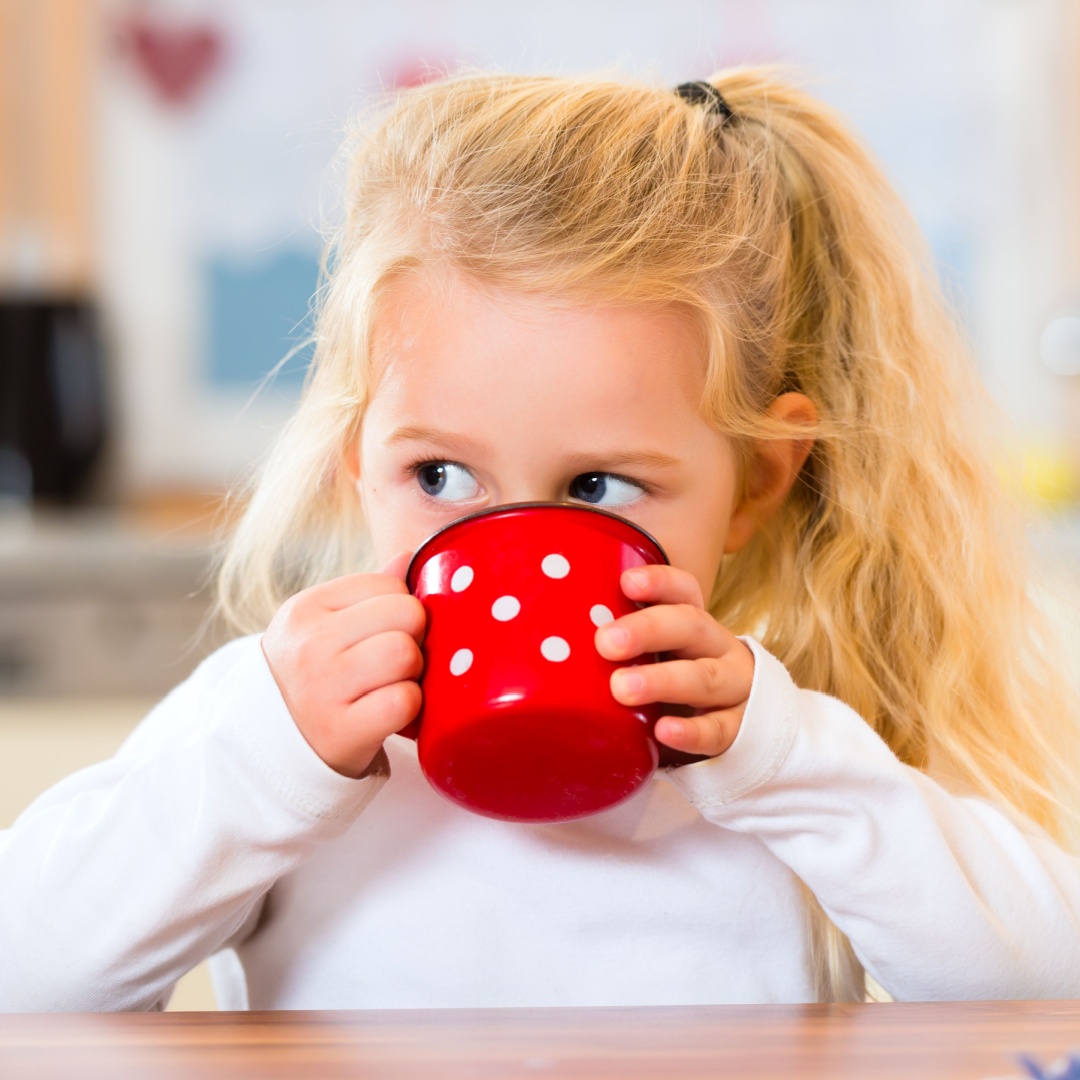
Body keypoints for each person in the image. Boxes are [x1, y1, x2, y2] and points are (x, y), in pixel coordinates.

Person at [2, 69, 1079, 1013]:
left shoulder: (777, 757)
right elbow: (25, 979)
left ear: (755, 480)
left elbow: (1049, 987)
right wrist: (261, 762)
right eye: (439, 475)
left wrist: (785, 760)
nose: (502, 539)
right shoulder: (272, 738)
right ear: (355, 463)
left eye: (599, 486)